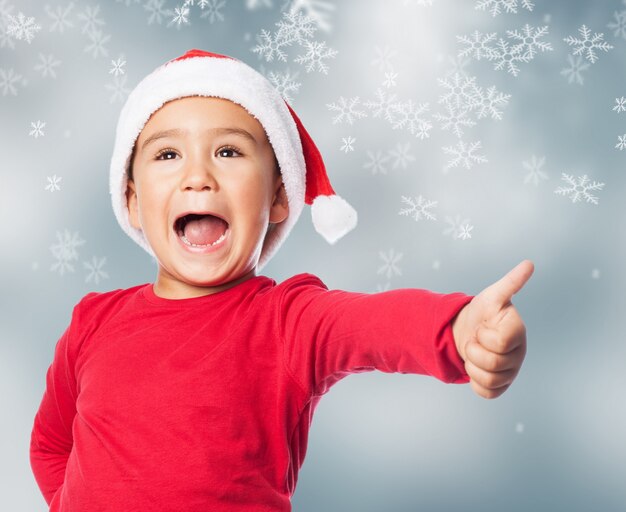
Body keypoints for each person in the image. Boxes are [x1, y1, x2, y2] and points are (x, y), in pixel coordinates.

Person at [29, 49, 534, 511]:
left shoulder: (288, 321)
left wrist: (459, 328)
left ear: (279, 196)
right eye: (167, 155)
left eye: (228, 152)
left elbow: (370, 325)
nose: (198, 176)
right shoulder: (93, 321)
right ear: (133, 200)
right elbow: (51, 444)